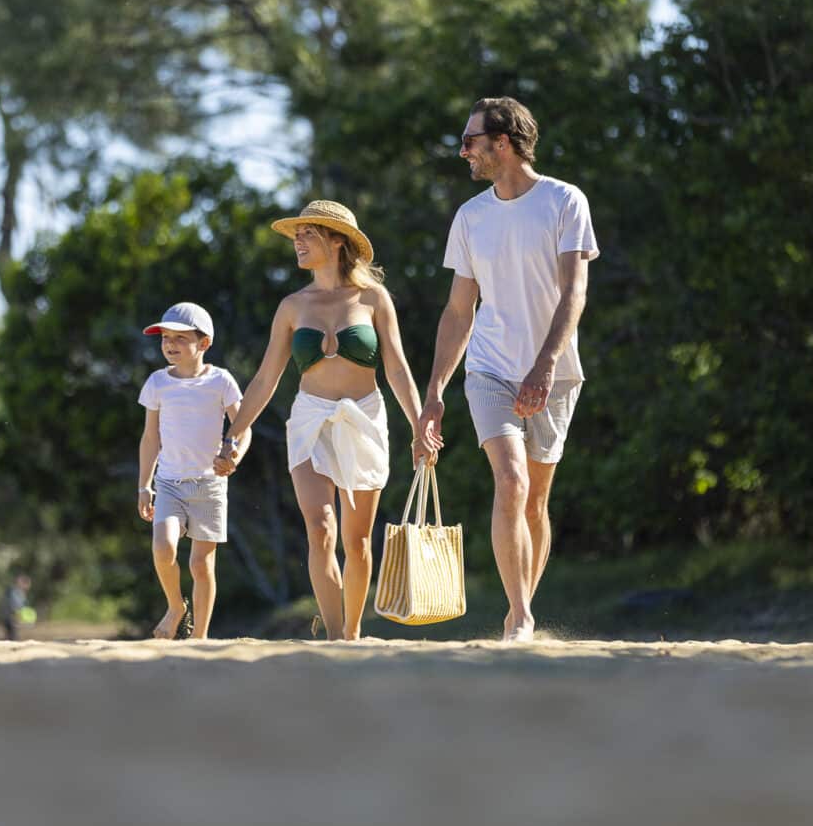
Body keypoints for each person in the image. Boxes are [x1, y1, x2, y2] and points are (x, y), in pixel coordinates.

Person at [420, 97, 600, 642]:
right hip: (490, 369)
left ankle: (520, 609)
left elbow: (574, 293)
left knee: (536, 499)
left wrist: (545, 365)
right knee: (511, 479)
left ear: (503, 142)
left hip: (555, 373)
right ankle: (520, 616)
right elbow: (459, 311)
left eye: (470, 141)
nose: (463, 152)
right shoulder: (470, 216)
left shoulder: (564, 201)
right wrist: (435, 392)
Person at [214, 200, 436, 641]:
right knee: (320, 529)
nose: (297, 242)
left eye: (308, 234)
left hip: (364, 419)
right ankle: (335, 636)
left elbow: (397, 369)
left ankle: (352, 632)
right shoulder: (292, 306)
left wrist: (420, 426)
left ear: (337, 241)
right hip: (310, 419)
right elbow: (265, 379)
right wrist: (232, 436)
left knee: (357, 541)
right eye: (296, 235)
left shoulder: (373, 299)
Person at [138, 302, 248, 640]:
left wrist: (234, 455)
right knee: (163, 548)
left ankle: (199, 638)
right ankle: (176, 607)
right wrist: (144, 485)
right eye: (165, 338)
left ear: (204, 343)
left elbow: (243, 426)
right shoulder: (157, 383)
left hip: (210, 486)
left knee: (201, 565)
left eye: (180, 338)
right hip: (169, 483)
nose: (170, 344)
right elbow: (150, 438)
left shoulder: (221, 381)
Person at [1, 572, 33, 641]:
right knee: (13, 637)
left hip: (8, 617)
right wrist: (18, 617)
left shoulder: (13, 591)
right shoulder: (16, 592)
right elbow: (15, 606)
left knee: (10, 636)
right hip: (10, 618)